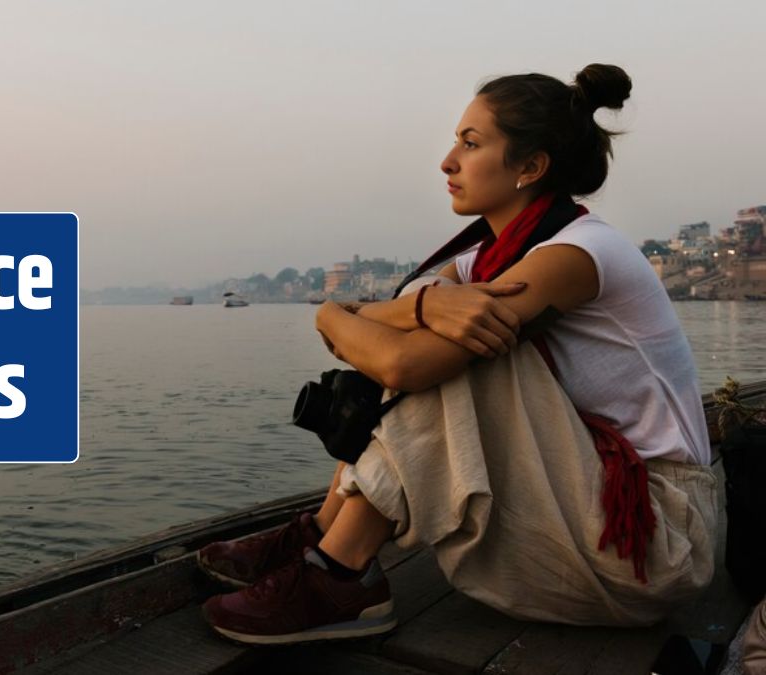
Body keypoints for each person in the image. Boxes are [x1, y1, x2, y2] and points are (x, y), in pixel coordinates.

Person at [199, 64, 718, 645]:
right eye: (456, 142)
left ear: (530, 167)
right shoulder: (482, 262)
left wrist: (378, 316)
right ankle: (323, 533)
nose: (448, 161)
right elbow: (379, 319)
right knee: (436, 338)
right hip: (585, 506)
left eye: (471, 144)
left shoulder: (576, 253)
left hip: (656, 540)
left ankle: (340, 574)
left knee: (466, 351)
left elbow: (403, 365)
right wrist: (370, 310)